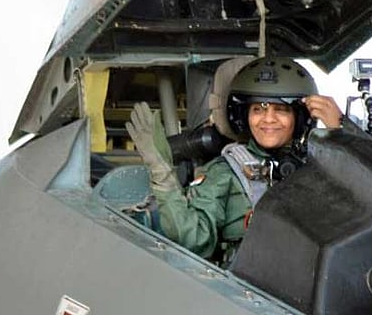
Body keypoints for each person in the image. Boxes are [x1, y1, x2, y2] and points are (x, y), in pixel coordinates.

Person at [126, 57, 317, 265]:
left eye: (281, 109)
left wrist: (342, 129)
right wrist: (162, 174)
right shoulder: (225, 172)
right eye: (258, 109)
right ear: (243, 116)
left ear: (299, 117)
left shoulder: (322, 169)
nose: (268, 119)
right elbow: (193, 239)